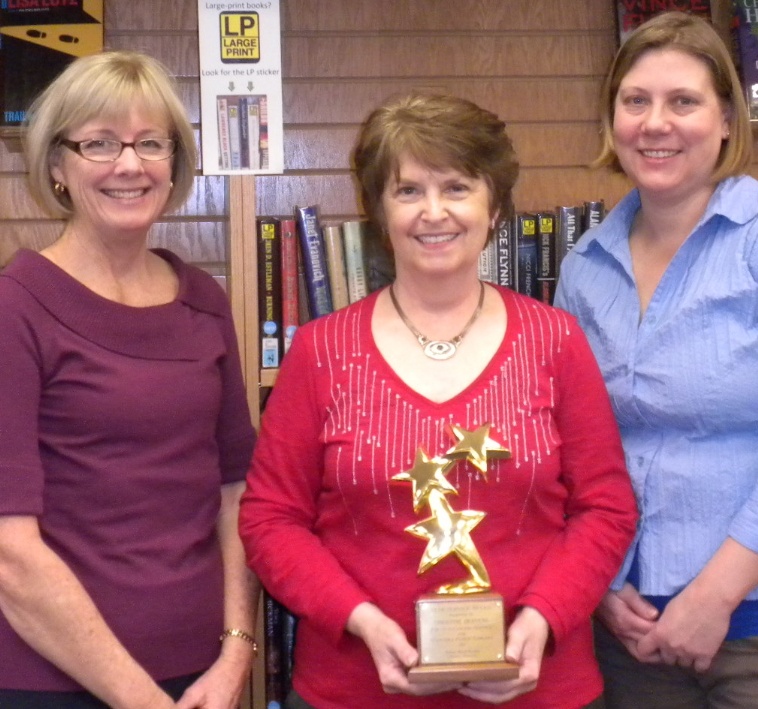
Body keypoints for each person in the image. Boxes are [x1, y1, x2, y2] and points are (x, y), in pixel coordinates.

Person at [239, 92, 638, 709]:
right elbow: (269, 520)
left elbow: (606, 508)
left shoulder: (555, 340)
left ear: (495, 206)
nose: (434, 213)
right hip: (356, 689)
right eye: (407, 191)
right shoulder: (320, 351)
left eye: (457, 187)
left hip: (542, 688)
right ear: (377, 209)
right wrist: (361, 620)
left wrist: (542, 621)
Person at [0, 51, 259, 709]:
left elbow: (236, 491)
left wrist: (237, 649)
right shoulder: (15, 308)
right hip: (52, 681)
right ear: (56, 165)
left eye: (151, 142)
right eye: (100, 143)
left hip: (203, 675)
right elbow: (10, 550)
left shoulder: (203, 300)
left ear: (173, 163)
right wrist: (138, 698)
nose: (129, 164)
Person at [553, 11, 758, 708]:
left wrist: (717, 592)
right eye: (635, 101)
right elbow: (570, 444)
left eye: (684, 101)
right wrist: (600, 585)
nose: (655, 123)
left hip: (749, 626)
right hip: (628, 631)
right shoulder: (583, 267)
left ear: (727, 119)